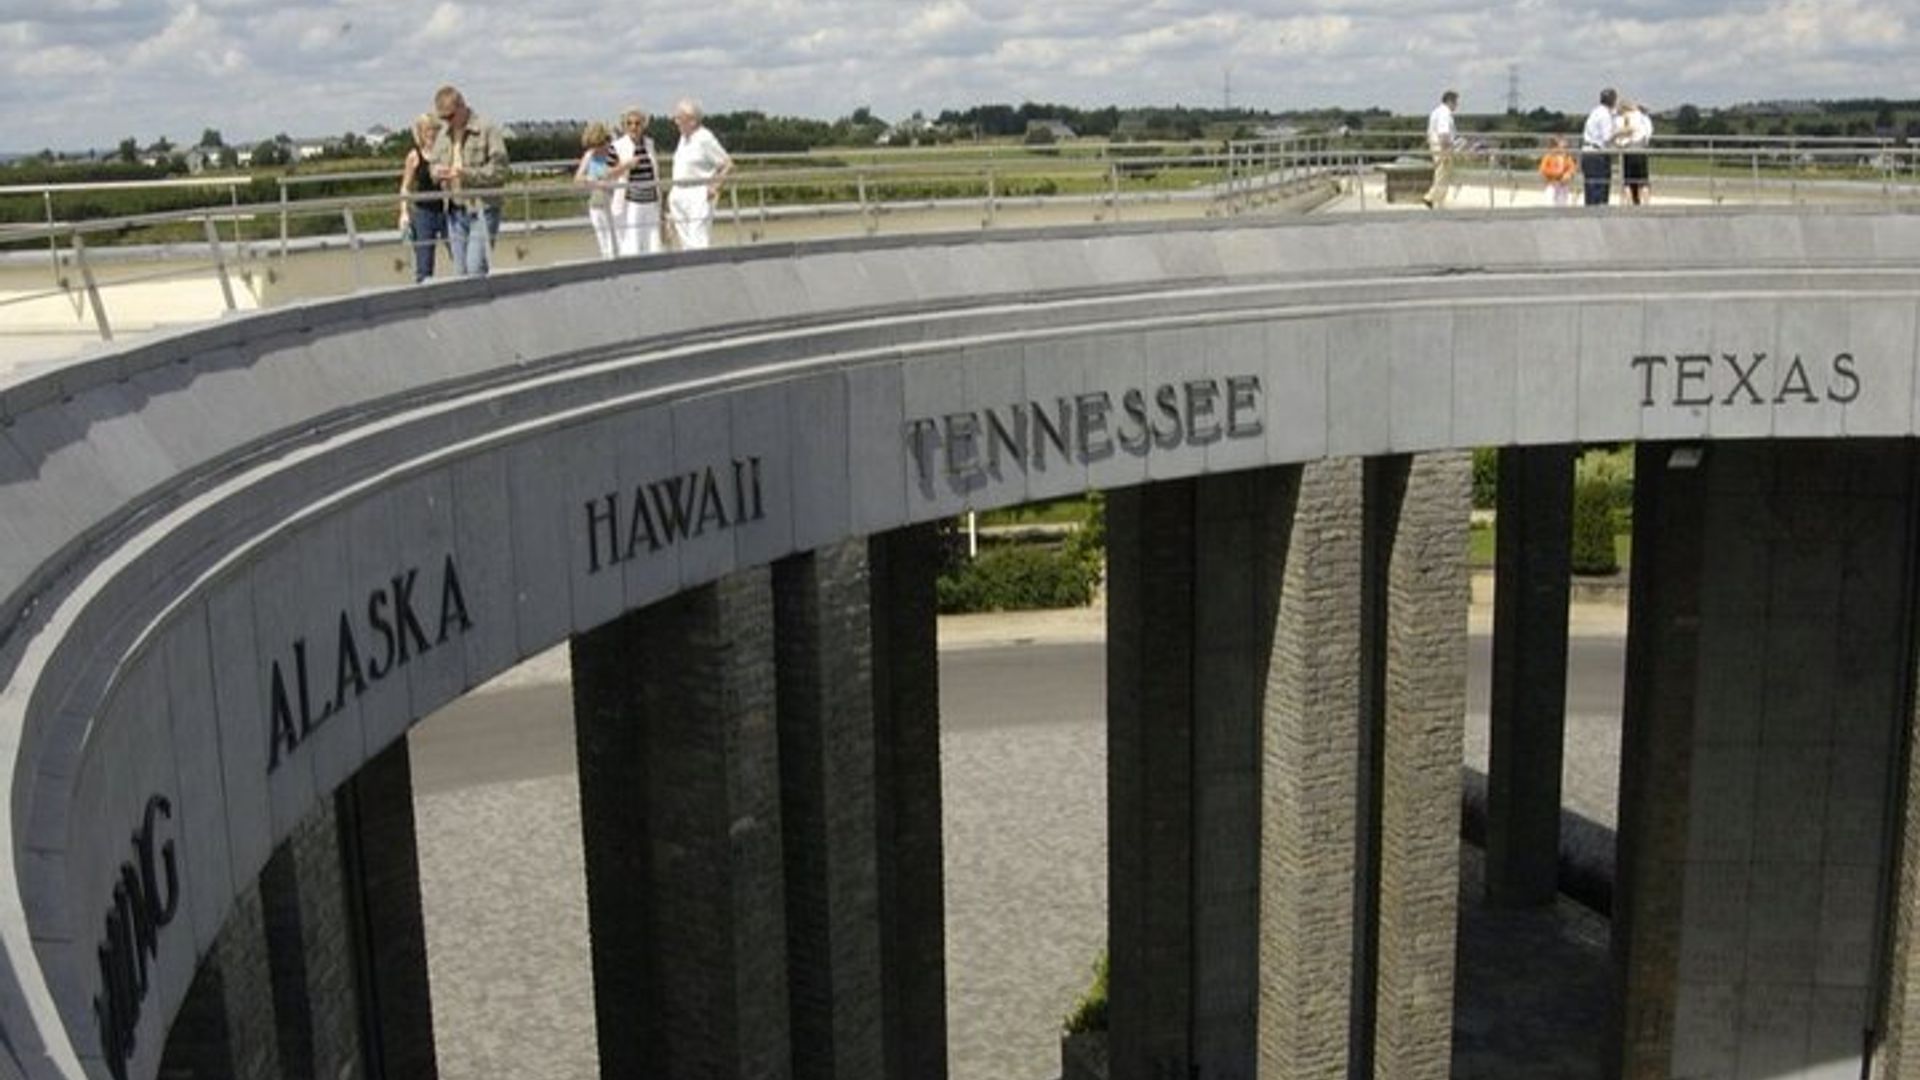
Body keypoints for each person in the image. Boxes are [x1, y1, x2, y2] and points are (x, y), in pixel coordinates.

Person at [429, 84, 511, 276]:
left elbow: (500, 170)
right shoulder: (443, 134)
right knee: (460, 271)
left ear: (462, 106)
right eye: (443, 118)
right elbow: (433, 165)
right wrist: (436, 172)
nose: (447, 121)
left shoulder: (487, 129)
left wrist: (465, 174)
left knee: (475, 268)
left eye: (450, 116)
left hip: (482, 208)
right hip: (455, 211)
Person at [668, 98, 732, 250]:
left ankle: (703, 271)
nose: (675, 121)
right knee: (685, 241)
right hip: (679, 193)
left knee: (698, 238)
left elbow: (727, 164)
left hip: (697, 193)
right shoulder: (683, 137)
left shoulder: (705, 138)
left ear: (692, 121)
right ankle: (691, 271)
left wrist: (715, 187)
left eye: (679, 118)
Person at [397, 113, 447, 282]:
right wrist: (404, 212)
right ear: (420, 132)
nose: (431, 134)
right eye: (426, 130)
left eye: (434, 129)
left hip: (448, 209)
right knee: (424, 262)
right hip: (424, 212)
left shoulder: (445, 152)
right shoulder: (414, 156)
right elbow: (406, 187)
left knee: (459, 253)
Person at [609, 107, 665, 256]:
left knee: (653, 242)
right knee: (632, 241)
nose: (634, 127)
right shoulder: (617, 146)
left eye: (637, 123)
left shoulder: (649, 144)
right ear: (624, 126)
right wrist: (626, 165)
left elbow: (655, 173)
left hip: (651, 200)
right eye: (629, 123)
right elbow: (607, 174)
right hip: (631, 201)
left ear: (643, 125)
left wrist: (662, 205)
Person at [574, 122, 618, 259]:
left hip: (614, 204)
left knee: (616, 243)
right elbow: (577, 179)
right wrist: (591, 179)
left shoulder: (614, 153)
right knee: (603, 245)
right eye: (593, 146)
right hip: (596, 204)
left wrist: (608, 181)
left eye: (598, 145)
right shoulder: (589, 155)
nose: (596, 149)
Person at [1581, 88, 1618, 207]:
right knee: (1599, 189)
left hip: (1588, 152)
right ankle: (1598, 215)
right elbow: (1607, 137)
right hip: (1597, 154)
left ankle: (1590, 213)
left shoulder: (1596, 111)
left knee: (1590, 189)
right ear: (1613, 100)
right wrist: (1622, 132)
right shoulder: (1605, 115)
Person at [1423, 90, 1458, 209]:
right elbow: (1444, 133)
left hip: (1436, 146)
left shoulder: (1437, 111)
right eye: (1455, 102)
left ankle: (1435, 199)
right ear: (1450, 101)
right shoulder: (1444, 113)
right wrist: (1446, 150)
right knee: (1443, 175)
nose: (1456, 105)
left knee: (1441, 174)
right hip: (1443, 147)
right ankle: (1432, 198)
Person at [1616, 100, 1654, 205]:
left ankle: (1628, 204)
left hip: (1628, 150)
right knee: (1644, 181)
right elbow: (1649, 132)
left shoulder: (1621, 118)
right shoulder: (1642, 116)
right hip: (1641, 149)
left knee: (1627, 182)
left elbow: (1619, 138)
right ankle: (1646, 204)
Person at [1538, 136, 1577, 207]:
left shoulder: (1567, 158)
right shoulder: (1549, 157)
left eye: (1566, 147)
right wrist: (1555, 174)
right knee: (1550, 203)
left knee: (1563, 204)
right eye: (1563, 147)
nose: (1565, 150)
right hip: (1552, 184)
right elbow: (1542, 170)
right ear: (1554, 147)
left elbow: (1572, 169)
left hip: (1563, 185)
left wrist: (1569, 174)